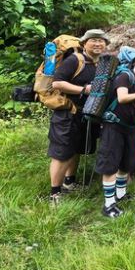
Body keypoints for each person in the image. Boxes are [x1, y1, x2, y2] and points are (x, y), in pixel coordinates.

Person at [95, 50, 135, 218]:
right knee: (110, 164)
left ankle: (121, 195)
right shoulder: (125, 76)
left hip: (131, 125)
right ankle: (108, 205)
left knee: (127, 163)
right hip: (113, 124)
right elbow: (122, 98)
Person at [47, 29, 107, 205]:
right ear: (84, 43)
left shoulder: (99, 64)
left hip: (86, 114)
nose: (98, 44)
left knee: (76, 149)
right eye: (94, 40)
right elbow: (57, 83)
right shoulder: (75, 60)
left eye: (101, 41)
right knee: (62, 153)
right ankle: (55, 193)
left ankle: (69, 182)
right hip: (67, 113)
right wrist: (84, 89)